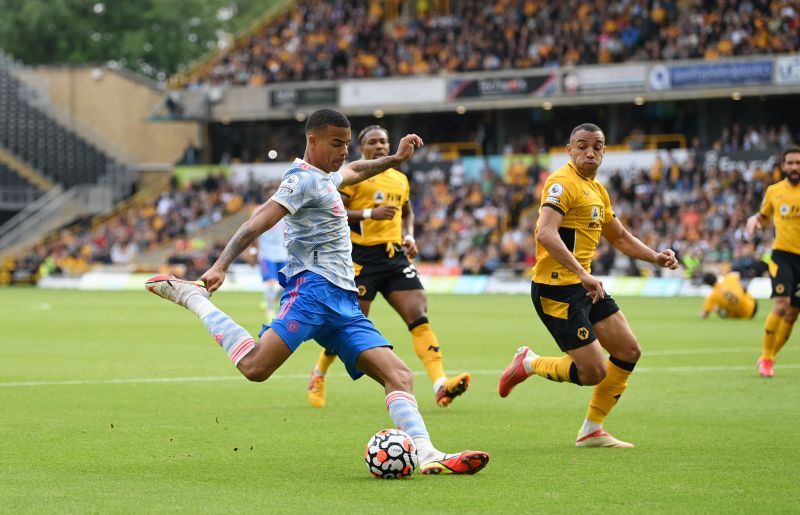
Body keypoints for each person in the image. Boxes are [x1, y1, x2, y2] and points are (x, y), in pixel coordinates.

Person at [145, 108, 489, 475]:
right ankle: (192, 298)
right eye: (336, 143)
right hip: (311, 291)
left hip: (344, 302)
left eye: (346, 142)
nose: (344, 150)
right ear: (313, 140)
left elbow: (356, 170)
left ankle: (426, 453)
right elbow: (256, 222)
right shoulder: (300, 180)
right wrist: (220, 265)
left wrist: (396, 158)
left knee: (399, 375)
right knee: (255, 367)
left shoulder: (328, 177)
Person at [498, 123, 679, 448]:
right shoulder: (561, 183)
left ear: (604, 151)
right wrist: (582, 272)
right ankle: (528, 362)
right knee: (593, 371)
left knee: (628, 351)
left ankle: (592, 430)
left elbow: (619, 236)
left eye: (597, 146)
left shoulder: (597, 190)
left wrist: (656, 257)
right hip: (557, 289)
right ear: (569, 149)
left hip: (586, 286)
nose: (590, 152)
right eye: (582, 145)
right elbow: (545, 233)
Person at [307, 125, 470, 409]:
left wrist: (409, 235)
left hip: (394, 257)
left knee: (418, 314)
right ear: (362, 149)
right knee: (349, 325)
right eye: (373, 142)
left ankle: (440, 384)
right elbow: (336, 212)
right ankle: (318, 374)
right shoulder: (352, 178)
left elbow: (407, 213)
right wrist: (371, 213)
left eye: (383, 141)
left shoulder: (400, 179)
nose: (380, 146)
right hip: (360, 259)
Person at [746, 147, 800, 378]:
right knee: (781, 305)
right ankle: (766, 359)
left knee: (792, 314)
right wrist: (755, 220)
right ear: (783, 165)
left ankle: (770, 355)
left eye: (798, 163)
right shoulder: (774, 191)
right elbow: (763, 215)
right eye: (790, 163)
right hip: (782, 256)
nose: (795, 167)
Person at [255, 212, 287, 322]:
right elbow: (254, 234)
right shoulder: (262, 216)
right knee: (271, 282)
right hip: (267, 255)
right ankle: (269, 310)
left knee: (286, 283)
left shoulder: (284, 216)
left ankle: (271, 300)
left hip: (282, 254)